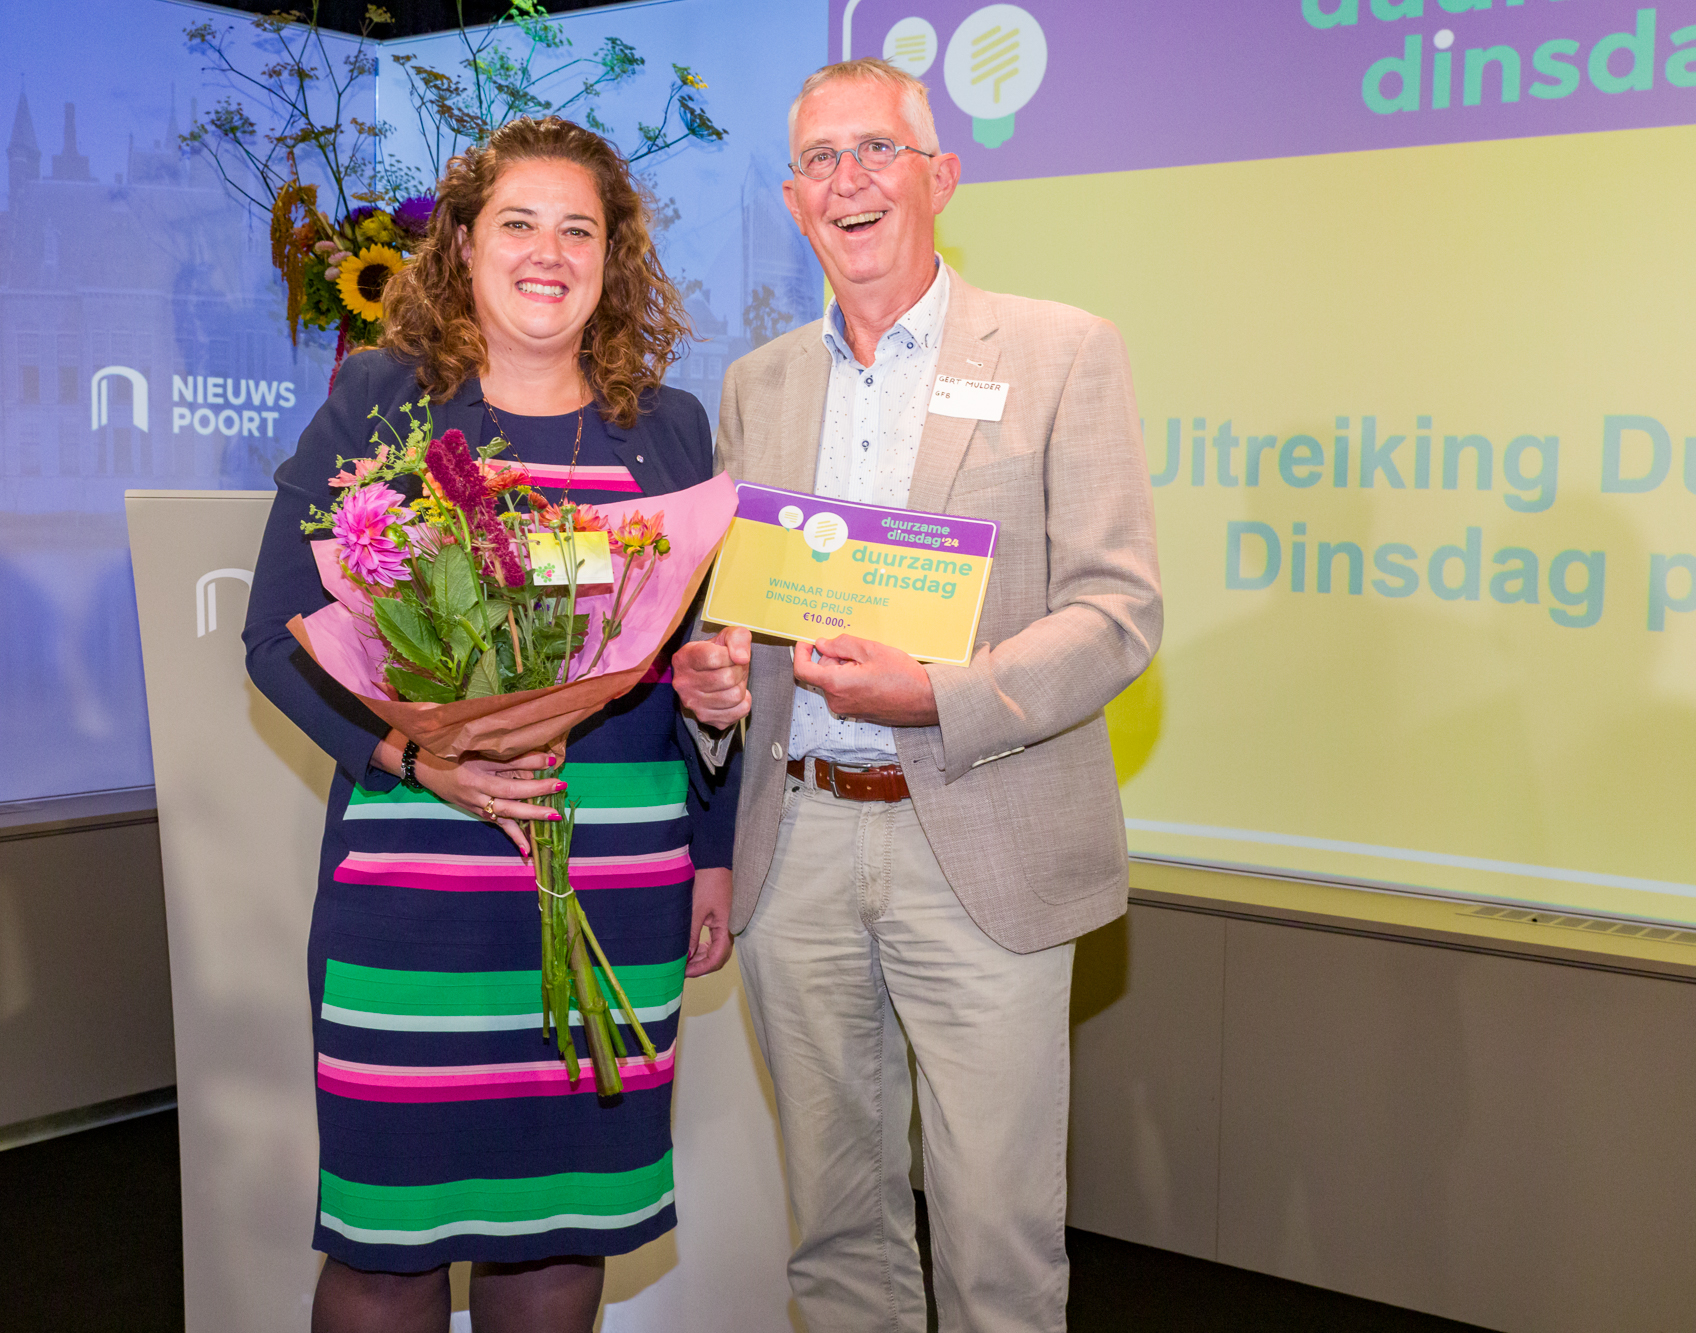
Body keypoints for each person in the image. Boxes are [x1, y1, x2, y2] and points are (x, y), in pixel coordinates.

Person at [671, 59, 1162, 1333]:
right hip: (801, 845)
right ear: (791, 202)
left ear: (937, 176)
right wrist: (712, 679)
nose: (849, 181)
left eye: (875, 151)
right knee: (835, 1237)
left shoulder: (1062, 351)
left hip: (983, 838)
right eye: (820, 161)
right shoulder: (756, 385)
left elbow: (1117, 614)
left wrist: (936, 694)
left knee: (995, 1242)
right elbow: (738, 611)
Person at [244, 116, 738, 1333]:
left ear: (612, 257)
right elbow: (276, 639)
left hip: (615, 887)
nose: (547, 252)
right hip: (417, 889)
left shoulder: (665, 428)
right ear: (462, 246)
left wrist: (714, 815)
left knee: (561, 1232)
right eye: (517, 222)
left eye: (579, 228)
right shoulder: (381, 403)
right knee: (387, 1245)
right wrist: (419, 756)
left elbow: (697, 666)